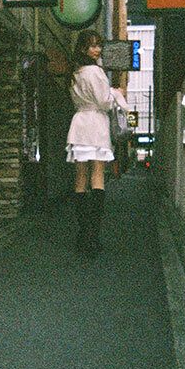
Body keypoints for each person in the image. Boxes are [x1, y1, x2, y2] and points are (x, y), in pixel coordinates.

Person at [65, 30, 129, 257]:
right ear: (83, 48)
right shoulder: (96, 71)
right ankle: (93, 235)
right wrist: (116, 93)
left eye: (98, 45)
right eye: (92, 46)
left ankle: (82, 234)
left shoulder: (75, 72)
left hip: (79, 124)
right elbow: (104, 102)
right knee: (98, 177)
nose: (97, 49)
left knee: (80, 179)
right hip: (96, 126)